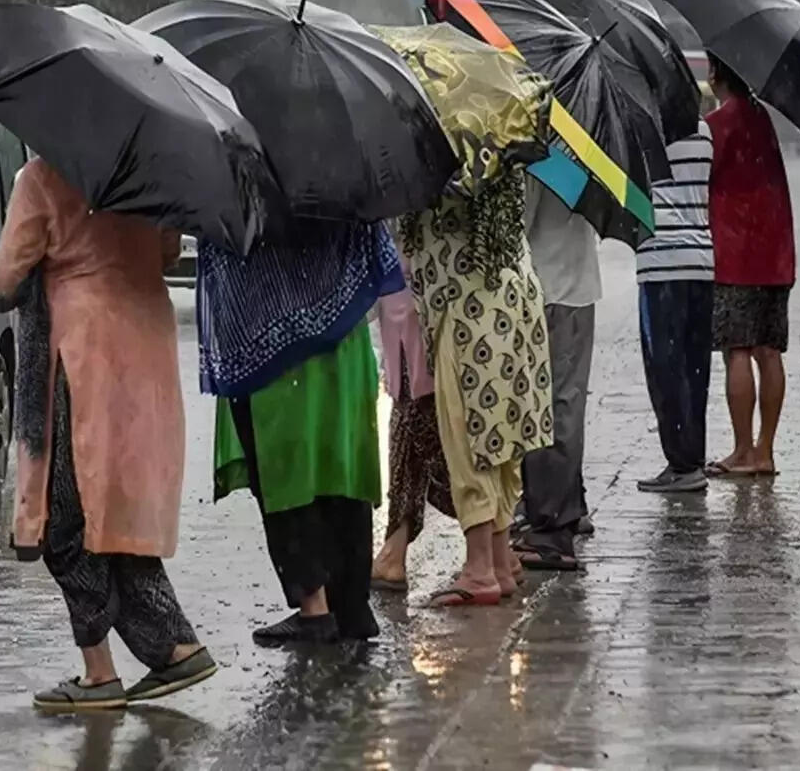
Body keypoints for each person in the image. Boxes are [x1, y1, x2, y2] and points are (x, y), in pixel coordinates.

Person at [0, 157, 215, 711]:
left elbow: (2, 282)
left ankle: (99, 671)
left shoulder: (42, 177)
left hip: (79, 352)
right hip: (143, 346)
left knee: (67, 515)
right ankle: (174, 648)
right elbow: (166, 254)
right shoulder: (149, 174)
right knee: (120, 513)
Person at [202, 220, 404, 645]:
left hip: (270, 347)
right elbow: (375, 252)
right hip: (343, 339)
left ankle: (315, 608)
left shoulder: (244, 169)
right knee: (339, 465)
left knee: (284, 472)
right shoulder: (344, 164)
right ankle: (351, 605)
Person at [399, 169, 552, 606]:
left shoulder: (451, 150)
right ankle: (499, 561)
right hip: (513, 291)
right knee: (502, 435)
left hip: (468, 303)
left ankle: (480, 567)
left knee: (470, 435)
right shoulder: (501, 130)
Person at [705, 54, 794, 477]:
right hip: (776, 253)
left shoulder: (718, 125)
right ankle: (765, 450)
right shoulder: (763, 119)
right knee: (769, 351)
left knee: (736, 350)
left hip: (735, 254)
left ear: (715, 73)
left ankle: (742, 450)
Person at [512, 191, 598, 570]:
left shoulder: (542, 151)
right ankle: (568, 505)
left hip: (549, 287)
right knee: (566, 400)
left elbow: (518, 227)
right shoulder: (585, 148)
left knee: (548, 407)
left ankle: (551, 530)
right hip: (576, 284)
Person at [635, 121, 716, 493]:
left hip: (661, 262)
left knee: (665, 370)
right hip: (701, 260)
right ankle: (692, 458)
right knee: (695, 368)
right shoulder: (703, 131)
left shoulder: (643, 130)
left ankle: (681, 464)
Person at [370, 263, 456, 591]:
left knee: (414, 428)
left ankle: (396, 549)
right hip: (424, 301)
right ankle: (493, 541)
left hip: (414, 305)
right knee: (423, 426)